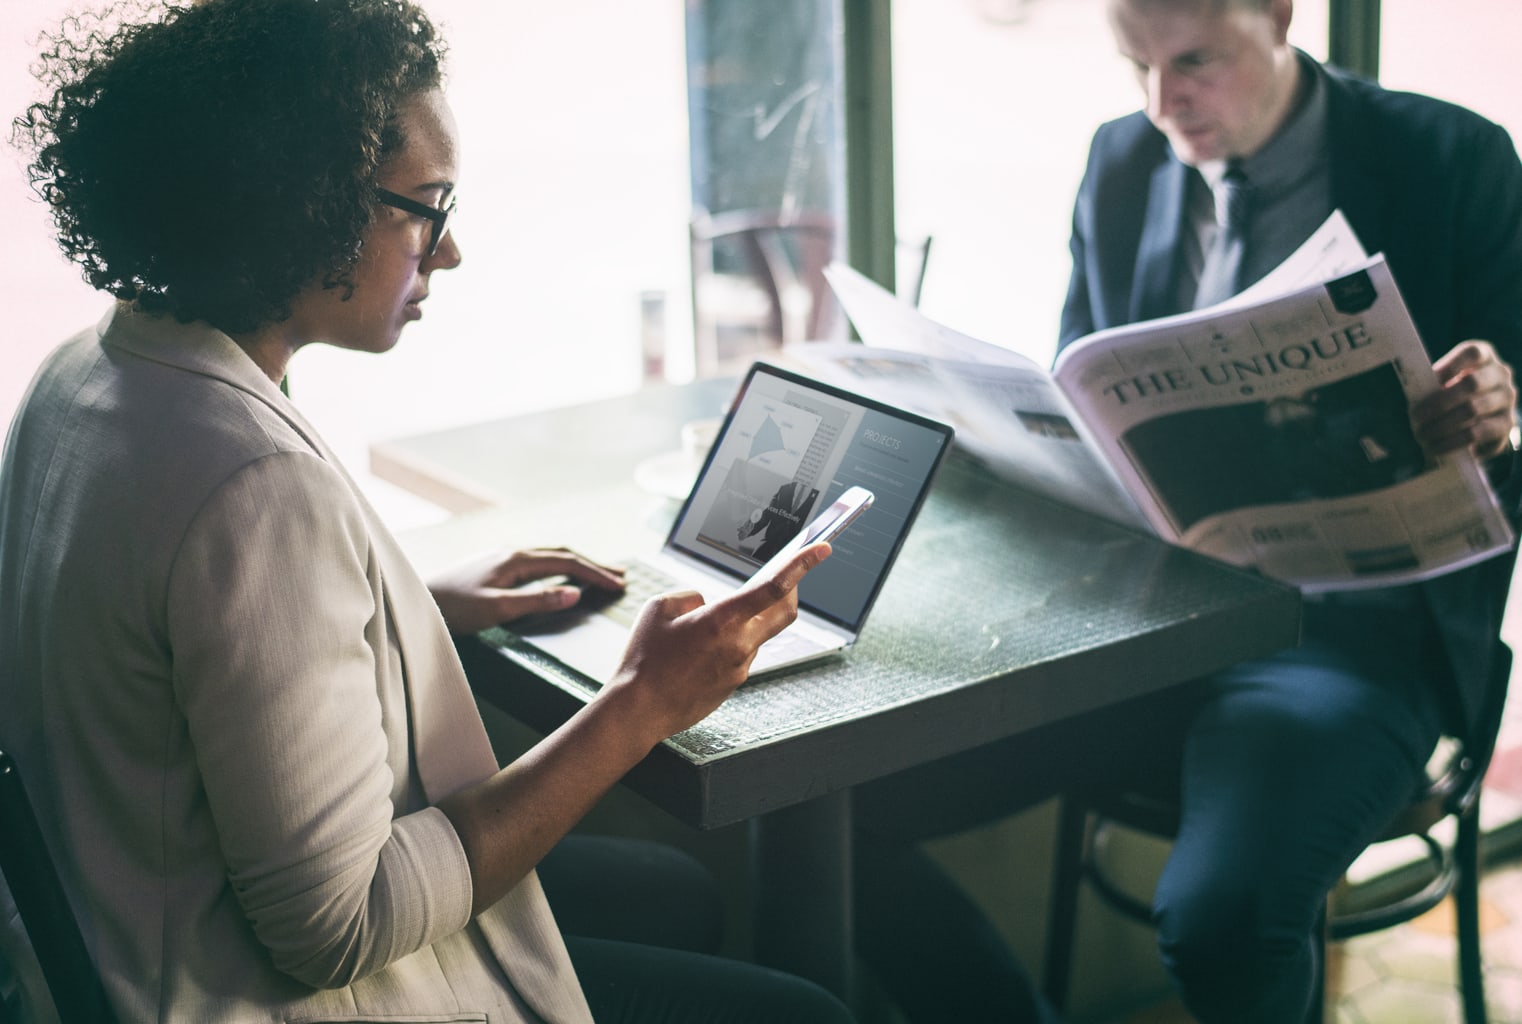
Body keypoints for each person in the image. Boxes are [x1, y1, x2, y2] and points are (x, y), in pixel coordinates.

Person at [0, 2, 856, 1022]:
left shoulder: (88, 375)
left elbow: (183, 647)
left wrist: (401, 607)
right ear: (300, 206)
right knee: (805, 1012)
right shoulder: (254, 485)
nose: (445, 254)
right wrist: (642, 703)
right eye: (426, 207)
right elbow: (339, 924)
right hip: (248, 989)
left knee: (675, 896)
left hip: (120, 932)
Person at [852, 0, 1522, 1021]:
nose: (1165, 103)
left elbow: (1512, 390)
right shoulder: (1121, 161)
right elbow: (1085, 391)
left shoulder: (1447, 156)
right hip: (1145, 617)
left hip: (1350, 635)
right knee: (835, 818)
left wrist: (1497, 412)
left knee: (1223, 918)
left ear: (1280, 15)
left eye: (1196, 59)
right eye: (1135, 68)